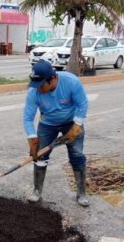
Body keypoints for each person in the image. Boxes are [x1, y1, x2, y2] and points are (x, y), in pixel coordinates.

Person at [23, 61, 90, 207]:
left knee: (77, 155)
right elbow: (28, 118)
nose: (38, 89)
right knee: (39, 156)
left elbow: (82, 104)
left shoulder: (71, 82)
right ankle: (37, 191)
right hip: (47, 124)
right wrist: (32, 138)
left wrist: (77, 125)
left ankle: (81, 193)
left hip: (72, 122)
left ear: (52, 78)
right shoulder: (34, 92)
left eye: (41, 85)